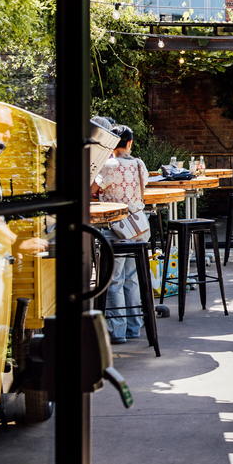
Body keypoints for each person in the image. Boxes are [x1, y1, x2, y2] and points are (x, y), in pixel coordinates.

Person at [92, 125, 149, 344]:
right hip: (138, 228)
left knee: (113, 279)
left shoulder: (109, 164)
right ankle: (134, 327)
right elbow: (141, 195)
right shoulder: (139, 164)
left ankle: (117, 331)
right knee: (131, 279)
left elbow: (90, 190)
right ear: (130, 143)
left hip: (116, 227)